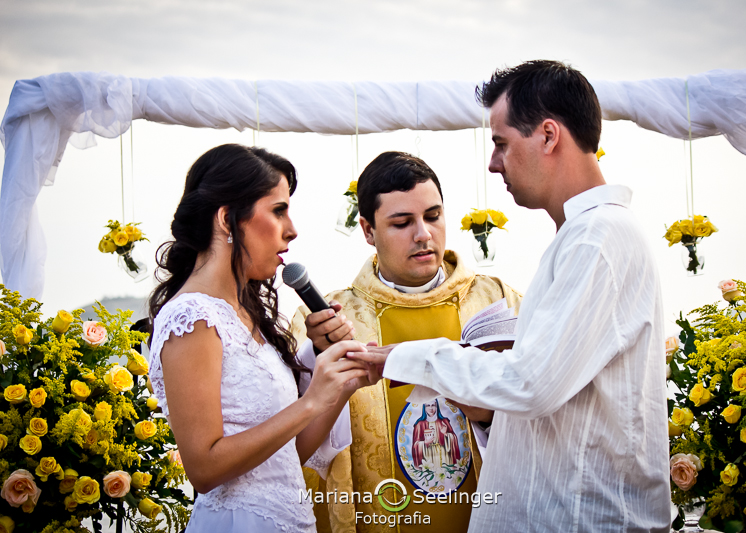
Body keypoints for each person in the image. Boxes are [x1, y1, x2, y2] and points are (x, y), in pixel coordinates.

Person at [349, 61, 671, 532]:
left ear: (547, 135)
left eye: (501, 143)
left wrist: (407, 358)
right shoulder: (583, 236)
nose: (493, 162)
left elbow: (531, 384)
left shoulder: (597, 238)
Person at [290, 151, 522, 533]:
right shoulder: (328, 321)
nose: (423, 234)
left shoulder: (499, 301)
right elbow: (297, 447)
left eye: (433, 216)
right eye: (402, 223)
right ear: (367, 230)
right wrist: (316, 356)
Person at [147, 144, 371, 532]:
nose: (292, 229)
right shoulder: (192, 317)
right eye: (278, 210)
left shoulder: (248, 315)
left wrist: (340, 383)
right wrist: (310, 401)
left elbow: (289, 455)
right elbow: (203, 468)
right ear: (226, 219)